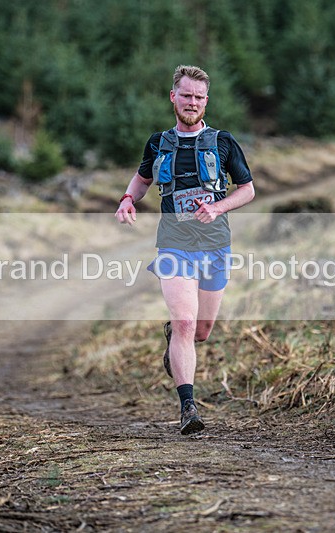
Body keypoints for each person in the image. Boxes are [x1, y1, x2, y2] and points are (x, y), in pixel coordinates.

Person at [115, 65, 255, 435]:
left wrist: (218, 207)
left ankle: (175, 342)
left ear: (206, 101)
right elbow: (142, 179)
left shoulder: (223, 141)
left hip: (215, 246)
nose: (192, 102)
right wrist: (128, 198)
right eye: (186, 95)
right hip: (174, 245)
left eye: (199, 97)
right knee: (185, 322)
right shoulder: (158, 142)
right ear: (173, 97)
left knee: (202, 331)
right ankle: (188, 407)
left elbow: (247, 190)